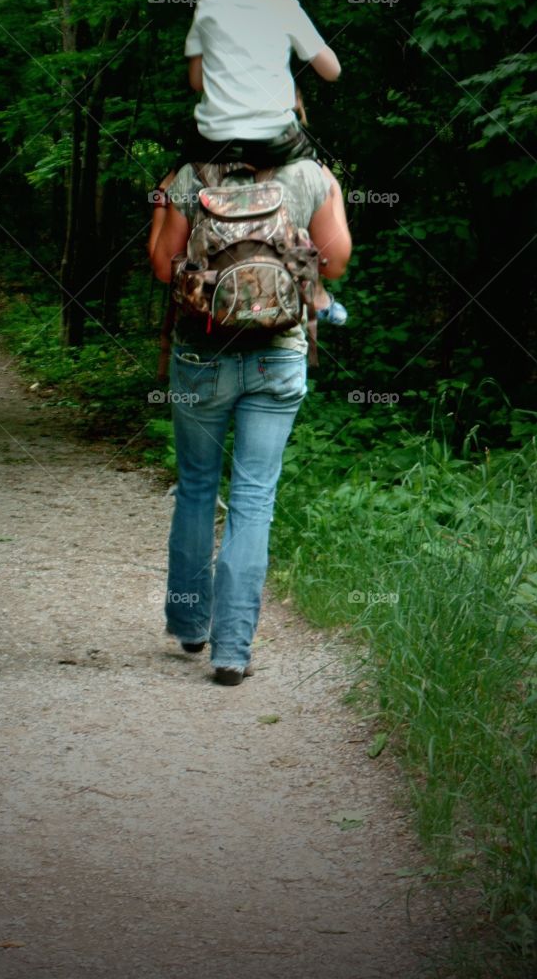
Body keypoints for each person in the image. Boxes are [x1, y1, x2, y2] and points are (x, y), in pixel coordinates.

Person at [149, 154, 352, 685]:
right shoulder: (310, 174)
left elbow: (160, 264)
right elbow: (333, 264)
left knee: (196, 486)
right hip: (278, 354)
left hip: (202, 354)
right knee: (254, 496)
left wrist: (164, 201)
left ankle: (192, 624)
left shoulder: (191, 176)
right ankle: (232, 654)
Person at [175, 0, 348, 324]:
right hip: (276, 140)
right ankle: (318, 293)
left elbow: (196, 81)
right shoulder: (285, 6)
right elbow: (332, 70)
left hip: (213, 144)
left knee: (174, 183)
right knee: (324, 178)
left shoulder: (207, 7)